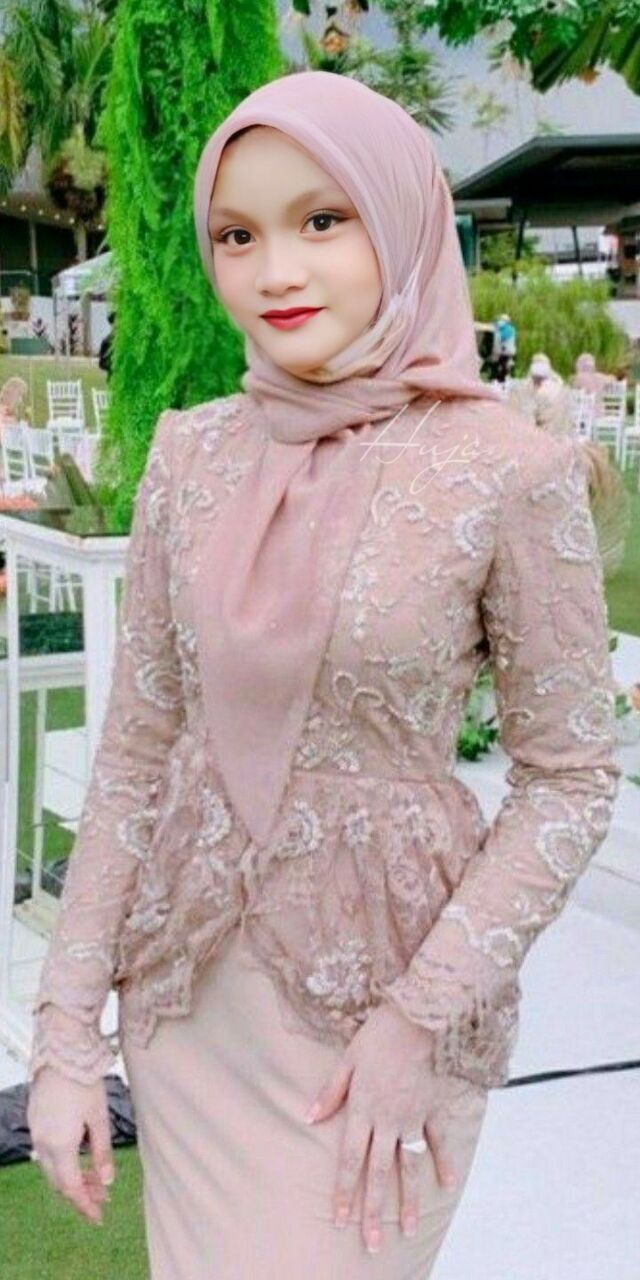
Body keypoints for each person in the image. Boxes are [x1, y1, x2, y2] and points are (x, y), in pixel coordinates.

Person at [26, 71, 621, 1280]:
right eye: (236, 235)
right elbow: (137, 748)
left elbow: (570, 779)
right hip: (188, 1000)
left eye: (322, 219)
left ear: (399, 219)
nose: (275, 270)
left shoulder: (510, 470)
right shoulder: (189, 453)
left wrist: (416, 1020)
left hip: (381, 1023)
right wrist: (64, 1033)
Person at [492, 312, 517, 382]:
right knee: (505, 365)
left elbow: (500, 338)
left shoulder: (502, 329)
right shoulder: (512, 329)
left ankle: (499, 379)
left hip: (504, 351)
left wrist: (496, 329)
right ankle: (504, 378)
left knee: (500, 364)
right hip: (510, 351)